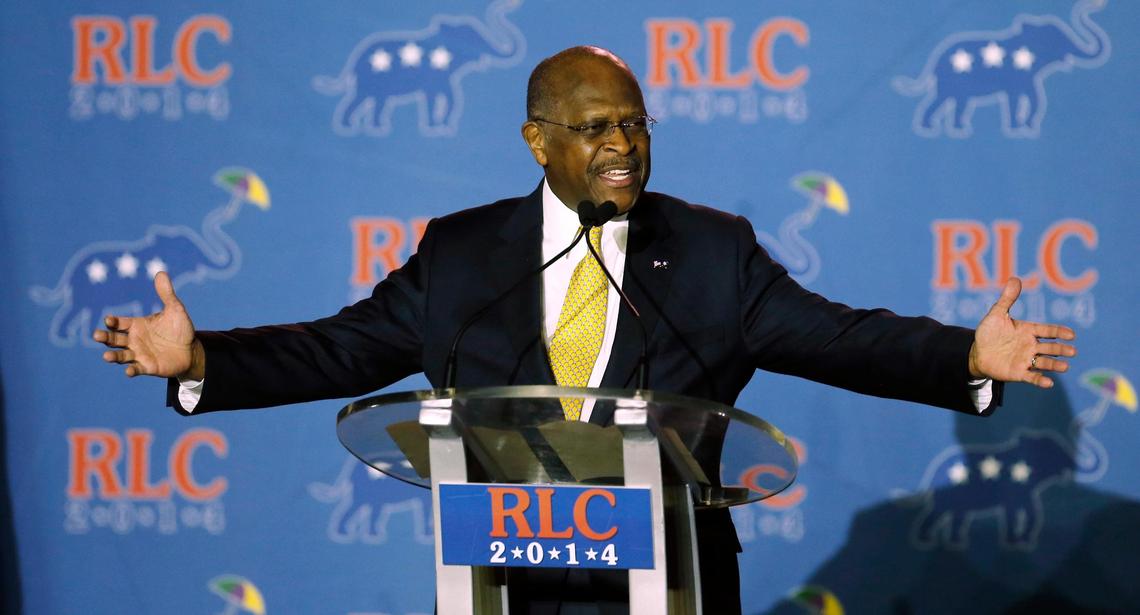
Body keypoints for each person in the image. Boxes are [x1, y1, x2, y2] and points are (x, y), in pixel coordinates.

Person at [94, 46, 1076, 614]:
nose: (622, 145)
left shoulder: (709, 249)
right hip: (508, 578)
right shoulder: (463, 254)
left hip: (673, 576)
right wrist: (204, 360)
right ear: (540, 141)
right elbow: (344, 346)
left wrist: (963, 356)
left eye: (636, 125)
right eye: (597, 127)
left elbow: (835, 335)